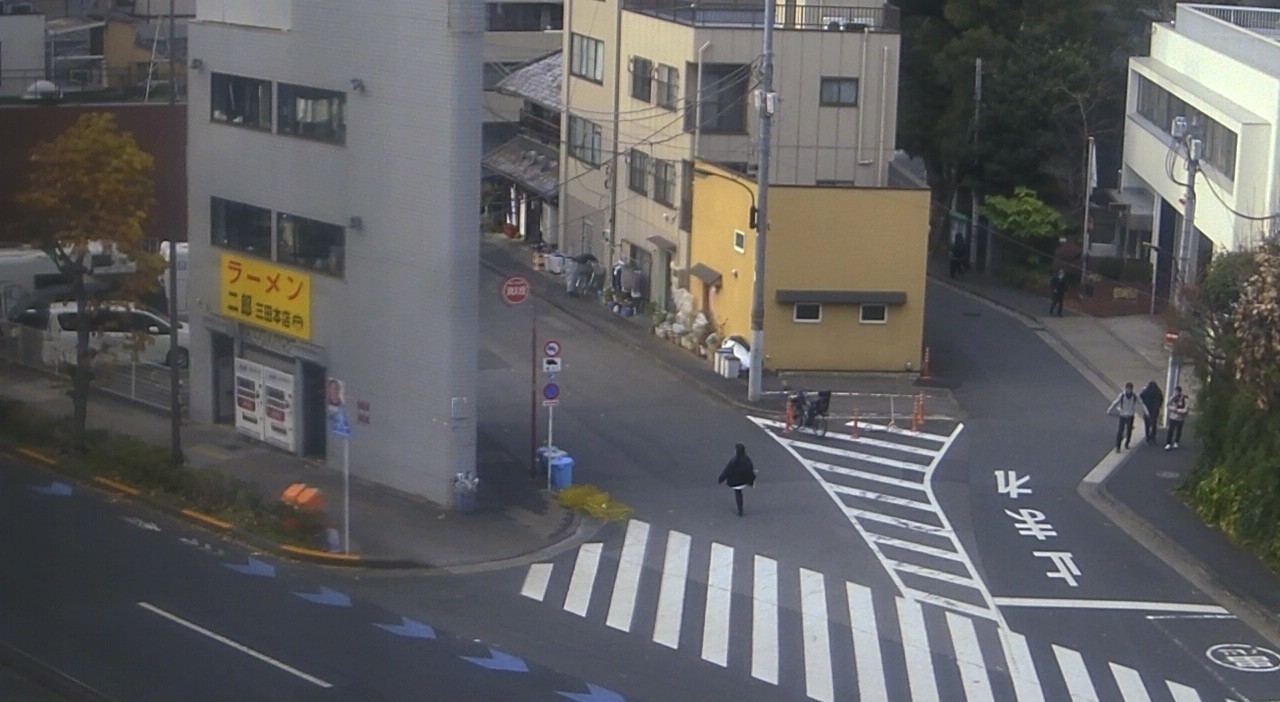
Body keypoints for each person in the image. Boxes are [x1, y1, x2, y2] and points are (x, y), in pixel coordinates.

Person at [1106, 382, 1148, 452]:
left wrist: (1147, 412)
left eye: (1129, 389)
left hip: (1130, 416)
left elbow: (1141, 403)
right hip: (1122, 415)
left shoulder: (1134, 396)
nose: (1128, 390)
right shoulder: (1122, 396)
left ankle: (1127, 443)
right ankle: (1118, 447)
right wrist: (1109, 410)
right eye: (1127, 389)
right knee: (1120, 431)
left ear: (1131, 389)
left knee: (1129, 431)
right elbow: (1115, 402)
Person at [718, 443, 757, 517]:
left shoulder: (733, 460)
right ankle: (740, 509)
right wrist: (752, 479)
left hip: (734, 481)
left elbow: (727, 470)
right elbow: (750, 470)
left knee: (738, 493)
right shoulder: (746, 460)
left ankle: (740, 510)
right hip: (743, 480)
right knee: (739, 492)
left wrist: (721, 479)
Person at [1138, 381, 1164, 445]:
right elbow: (1161, 399)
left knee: (1147, 425)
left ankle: (1147, 438)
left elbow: (1140, 396)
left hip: (1147, 410)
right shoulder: (1158, 391)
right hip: (1155, 411)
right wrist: (1158, 406)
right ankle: (1153, 437)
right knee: (1154, 424)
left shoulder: (1146, 391)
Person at [1165, 386, 1190, 450]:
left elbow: (1186, 409)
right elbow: (1168, 405)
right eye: (1174, 391)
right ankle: (1168, 443)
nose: (1175, 393)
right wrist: (1173, 409)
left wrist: (1178, 411)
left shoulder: (1184, 398)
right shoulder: (1172, 398)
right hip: (1172, 417)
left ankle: (1176, 442)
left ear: (1179, 392)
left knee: (1179, 430)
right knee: (1170, 430)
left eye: (1176, 391)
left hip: (1180, 418)